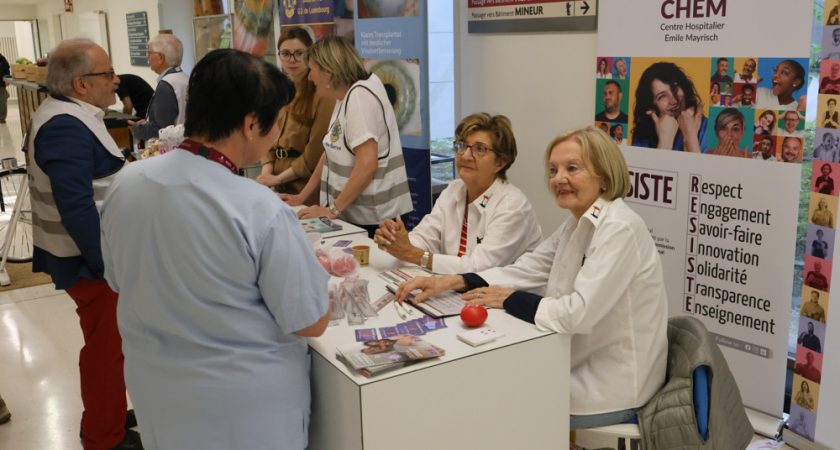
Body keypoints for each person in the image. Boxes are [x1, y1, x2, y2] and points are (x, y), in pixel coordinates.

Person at [100, 49, 330, 450]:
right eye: (277, 122)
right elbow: (309, 320)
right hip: (245, 411)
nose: (277, 133)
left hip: (159, 394)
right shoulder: (258, 208)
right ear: (251, 124)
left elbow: (117, 279)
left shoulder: (128, 183)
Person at [397, 127, 668, 429]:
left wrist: (511, 299)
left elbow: (576, 314)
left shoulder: (619, 228)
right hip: (577, 362)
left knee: (495, 403)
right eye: (553, 170)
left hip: (611, 386)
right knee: (489, 386)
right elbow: (526, 269)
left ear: (603, 176)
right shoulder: (576, 223)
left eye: (572, 168)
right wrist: (455, 281)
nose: (558, 178)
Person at [29, 38, 140, 450]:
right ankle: (104, 438)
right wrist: (107, 265)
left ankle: (105, 415)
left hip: (93, 256)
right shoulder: (64, 127)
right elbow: (75, 206)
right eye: (107, 73)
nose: (116, 80)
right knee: (106, 349)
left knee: (108, 346)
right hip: (87, 260)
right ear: (81, 84)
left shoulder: (74, 115)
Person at [373, 113, 542, 274]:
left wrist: (413, 254)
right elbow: (425, 237)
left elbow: (480, 269)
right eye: (461, 146)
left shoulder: (513, 206)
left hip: (503, 293)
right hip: (457, 287)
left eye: (479, 149)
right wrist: (397, 241)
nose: (465, 156)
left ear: (500, 162)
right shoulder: (454, 189)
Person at [289, 36, 413, 237]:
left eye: (311, 70)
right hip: (356, 216)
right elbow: (331, 151)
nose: (309, 77)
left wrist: (332, 210)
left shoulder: (360, 98)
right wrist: (301, 197)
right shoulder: (345, 94)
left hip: (375, 220)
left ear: (328, 72)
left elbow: (367, 164)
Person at [255, 27, 335, 205]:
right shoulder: (277, 90)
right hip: (275, 184)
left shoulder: (322, 94)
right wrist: (267, 175)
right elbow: (266, 134)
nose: (292, 60)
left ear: (310, 55)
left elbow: (315, 152)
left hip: (305, 188)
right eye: (286, 54)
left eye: (299, 53)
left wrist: (278, 179)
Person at [631, 61, 707, 152]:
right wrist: (665, 142)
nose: (673, 100)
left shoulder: (705, 127)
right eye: (662, 96)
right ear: (651, 107)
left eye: (675, 88)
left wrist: (690, 137)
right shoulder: (642, 135)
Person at [129, 33, 188, 142]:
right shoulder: (184, 78)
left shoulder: (166, 85)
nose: (147, 57)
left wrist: (137, 128)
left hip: (172, 147)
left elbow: (161, 130)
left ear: (160, 57)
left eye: (149, 53)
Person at [0, 52, 9, 123]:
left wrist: (7, 80)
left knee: (2, 101)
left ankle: (2, 118)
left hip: (1, 84)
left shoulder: (2, 59)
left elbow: (7, 70)